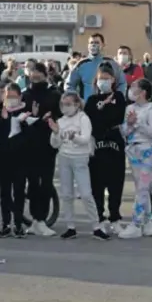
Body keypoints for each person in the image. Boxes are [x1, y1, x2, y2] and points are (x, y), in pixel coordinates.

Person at [49, 91, 110, 240]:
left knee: (86, 193)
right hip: (64, 157)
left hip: (80, 159)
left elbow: (85, 139)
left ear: (77, 104)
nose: (66, 107)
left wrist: (73, 136)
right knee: (67, 194)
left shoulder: (83, 118)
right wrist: (56, 133)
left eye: (69, 104)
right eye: (63, 104)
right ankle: (70, 227)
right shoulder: (61, 121)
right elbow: (54, 143)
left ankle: (96, 226)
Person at [84, 63, 127, 234]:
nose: (104, 82)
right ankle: (100, 217)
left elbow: (116, 117)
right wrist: (102, 108)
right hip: (97, 146)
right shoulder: (92, 100)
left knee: (116, 182)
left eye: (107, 79)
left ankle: (115, 218)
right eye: (101, 79)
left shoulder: (119, 97)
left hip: (115, 144)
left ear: (113, 80)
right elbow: (91, 121)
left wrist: (103, 114)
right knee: (97, 184)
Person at [117, 78, 152, 239]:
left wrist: (136, 124)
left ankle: (136, 224)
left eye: (134, 87)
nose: (130, 90)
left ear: (143, 92)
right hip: (132, 150)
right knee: (140, 188)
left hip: (147, 151)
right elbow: (123, 131)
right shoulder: (129, 108)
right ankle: (148, 222)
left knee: (143, 187)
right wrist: (129, 124)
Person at [21, 63, 62, 236]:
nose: (35, 75)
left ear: (46, 75)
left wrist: (48, 118)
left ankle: (42, 219)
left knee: (45, 182)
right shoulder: (24, 95)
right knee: (32, 183)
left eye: (39, 73)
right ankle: (34, 220)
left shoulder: (54, 94)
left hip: (47, 146)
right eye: (33, 72)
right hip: (28, 146)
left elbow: (60, 115)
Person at [0, 83, 30, 239]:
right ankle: (6, 224)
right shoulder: (0, 113)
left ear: (20, 97)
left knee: (19, 192)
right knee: (5, 192)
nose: (11, 100)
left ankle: (19, 224)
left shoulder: (25, 113)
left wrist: (23, 122)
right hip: (4, 158)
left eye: (14, 97)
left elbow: (30, 137)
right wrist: (2, 120)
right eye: (8, 97)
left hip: (20, 158)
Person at [66, 33, 127, 102]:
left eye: (97, 42)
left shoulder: (112, 63)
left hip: (108, 106)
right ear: (88, 46)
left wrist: (118, 98)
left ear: (103, 45)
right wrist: (77, 100)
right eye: (91, 43)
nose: (94, 45)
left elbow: (122, 83)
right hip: (86, 107)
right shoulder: (81, 64)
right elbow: (69, 84)